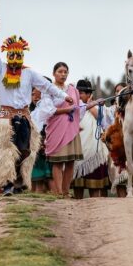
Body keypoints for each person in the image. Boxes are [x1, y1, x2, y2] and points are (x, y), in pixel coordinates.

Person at [0, 17, 73, 195]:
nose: (15, 58)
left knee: (24, 151)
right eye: (11, 55)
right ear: (7, 55)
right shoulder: (0, 69)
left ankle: (19, 182)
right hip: (6, 118)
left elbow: (47, 86)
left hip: (24, 117)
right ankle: (7, 184)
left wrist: (65, 95)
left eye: (18, 55)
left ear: (22, 55)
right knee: (7, 151)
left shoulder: (29, 73)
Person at [44, 63, 86, 197]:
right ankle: (59, 192)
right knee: (58, 161)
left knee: (70, 161)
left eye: (65, 72)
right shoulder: (49, 90)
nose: (63, 74)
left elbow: (79, 108)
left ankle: (66, 191)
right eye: (60, 71)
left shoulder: (73, 90)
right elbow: (47, 110)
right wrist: (66, 110)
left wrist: (95, 104)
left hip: (71, 128)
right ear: (54, 73)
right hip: (56, 128)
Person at [72, 79, 108, 199]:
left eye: (81, 93)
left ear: (88, 94)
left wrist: (91, 104)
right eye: (77, 92)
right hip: (79, 148)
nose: (79, 95)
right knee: (77, 184)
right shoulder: (74, 107)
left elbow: (103, 122)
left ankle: (95, 208)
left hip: (94, 150)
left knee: (95, 185)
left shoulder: (97, 108)